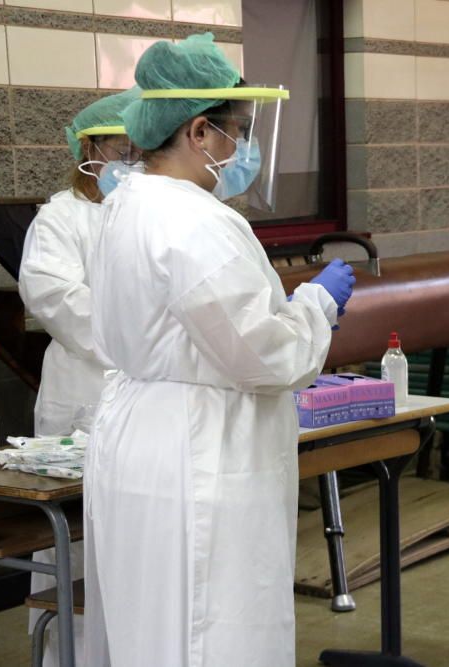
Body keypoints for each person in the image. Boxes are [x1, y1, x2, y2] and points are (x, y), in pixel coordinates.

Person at [82, 34, 353, 666]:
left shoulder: (129, 204)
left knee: (150, 627)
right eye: (240, 130)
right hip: (199, 449)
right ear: (200, 132)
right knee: (212, 630)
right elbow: (265, 355)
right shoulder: (195, 221)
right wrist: (317, 304)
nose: (246, 148)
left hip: (142, 440)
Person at [17, 87, 141, 667]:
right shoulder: (60, 218)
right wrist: (141, 328)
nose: (132, 161)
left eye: (141, 149)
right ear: (89, 148)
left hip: (143, 398)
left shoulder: (146, 211)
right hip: (83, 397)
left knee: (133, 554)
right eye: (121, 148)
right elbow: (54, 297)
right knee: (76, 553)